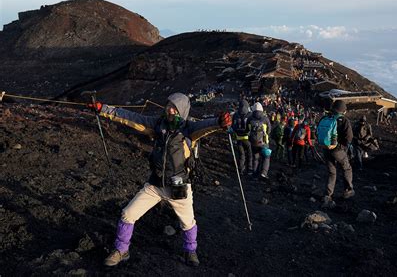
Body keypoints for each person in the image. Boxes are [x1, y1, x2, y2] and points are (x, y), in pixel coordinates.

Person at [88, 93, 232, 267]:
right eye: (169, 106)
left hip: (178, 184)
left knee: (187, 222)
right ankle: (121, 250)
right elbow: (131, 117)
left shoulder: (188, 130)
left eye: (175, 108)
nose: (170, 110)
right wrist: (103, 109)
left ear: (182, 111)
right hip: (155, 183)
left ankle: (190, 251)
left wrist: (220, 123)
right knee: (128, 214)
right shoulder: (158, 125)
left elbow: (207, 125)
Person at [318, 100, 354, 208]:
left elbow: (318, 132)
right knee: (347, 168)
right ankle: (348, 190)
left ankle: (328, 195)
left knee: (331, 172)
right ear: (343, 110)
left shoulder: (325, 118)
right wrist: (342, 147)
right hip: (337, 150)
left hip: (325, 148)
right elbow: (349, 137)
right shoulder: (344, 121)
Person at [247, 102, 272, 179]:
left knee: (256, 158)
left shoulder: (250, 118)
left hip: (253, 142)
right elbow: (269, 130)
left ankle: (255, 174)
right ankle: (264, 172)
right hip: (264, 142)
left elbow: (247, 129)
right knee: (266, 157)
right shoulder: (265, 119)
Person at [231, 99, 252, 175]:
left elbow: (233, 126)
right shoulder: (250, 115)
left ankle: (241, 169)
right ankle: (249, 169)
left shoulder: (236, 115)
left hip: (239, 138)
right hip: (247, 138)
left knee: (241, 155)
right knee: (249, 155)